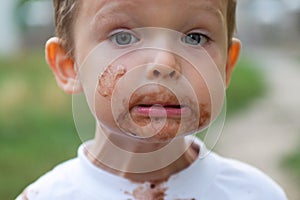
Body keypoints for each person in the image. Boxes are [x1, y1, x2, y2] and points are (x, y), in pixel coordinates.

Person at [17, 0, 288, 199]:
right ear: (69, 66)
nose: (165, 63)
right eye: (123, 37)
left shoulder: (256, 194)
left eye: (195, 38)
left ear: (226, 67)